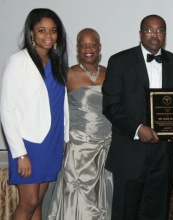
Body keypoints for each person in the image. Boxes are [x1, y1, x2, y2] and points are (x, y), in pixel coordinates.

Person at [102, 14, 173, 220]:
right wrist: (138, 128)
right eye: (149, 30)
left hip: (163, 155)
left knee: (157, 212)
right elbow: (111, 105)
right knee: (125, 213)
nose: (154, 35)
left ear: (165, 34)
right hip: (129, 152)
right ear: (140, 34)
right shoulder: (120, 61)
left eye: (159, 30)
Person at [0, 8, 69, 220]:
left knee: (38, 201)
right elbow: (7, 110)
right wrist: (20, 154)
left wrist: (64, 139)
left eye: (53, 31)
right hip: (30, 143)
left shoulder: (57, 63)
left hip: (52, 141)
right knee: (28, 202)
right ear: (31, 33)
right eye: (42, 30)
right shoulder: (18, 61)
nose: (48, 35)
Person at [47, 28, 113, 220]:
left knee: (104, 200)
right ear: (77, 48)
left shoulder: (111, 73)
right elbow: (55, 112)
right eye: (83, 45)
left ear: (99, 47)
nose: (88, 49)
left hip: (107, 147)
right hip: (79, 150)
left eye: (92, 44)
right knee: (78, 202)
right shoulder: (66, 74)